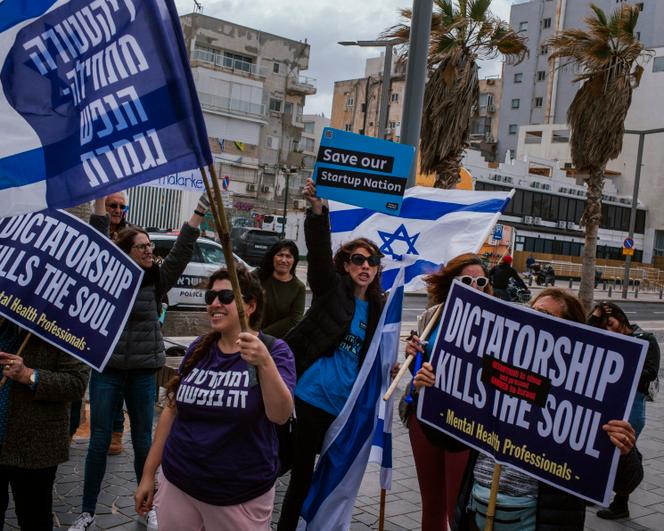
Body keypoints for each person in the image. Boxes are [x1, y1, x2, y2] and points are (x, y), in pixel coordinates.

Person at [413, 288, 644, 531]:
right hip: (476, 513)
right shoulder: (496, 375)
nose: (534, 320)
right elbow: (448, 441)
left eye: (546, 316)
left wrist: (623, 451)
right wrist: (428, 395)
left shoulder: (588, 395)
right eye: (531, 312)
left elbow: (627, 482)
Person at [68, 194, 210, 531]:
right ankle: (87, 512)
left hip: (145, 371)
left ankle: (151, 508)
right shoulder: (109, 276)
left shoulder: (157, 278)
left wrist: (200, 210)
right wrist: (102, 201)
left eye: (150, 246)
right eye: (142, 247)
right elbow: (99, 237)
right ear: (126, 251)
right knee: (99, 441)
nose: (149, 251)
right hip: (109, 371)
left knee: (144, 442)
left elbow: (183, 249)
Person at [134, 266, 295, 530]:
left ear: (250, 306)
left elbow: (279, 415)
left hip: (238, 495)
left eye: (226, 297)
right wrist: (149, 474)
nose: (215, 304)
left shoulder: (275, 351)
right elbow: (171, 411)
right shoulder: (200, 347)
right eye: (211, 297)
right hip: (179, 481)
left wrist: (264, 362)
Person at [277, 178, 386, 530]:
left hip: (345, 409)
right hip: (311, 398)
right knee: (300, 475)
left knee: (334, 476)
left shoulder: (380, 308)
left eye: (371, 261)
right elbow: (320, 253)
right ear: (346, 265)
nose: (365, 266)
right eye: (357, 260)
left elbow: (376, 360)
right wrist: (318, 210)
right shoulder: (331, 290)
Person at [403, 253, 493, 530]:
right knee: (432, 504)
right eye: (466, 280)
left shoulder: (494, 322)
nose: (474, 286)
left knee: (457, 506)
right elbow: (418, 370)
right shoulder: (433, 315)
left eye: (480, 281)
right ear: (453, 283)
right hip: (425, 415)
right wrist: (413, 358)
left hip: (465, 423)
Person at [0, 318, 89, 530]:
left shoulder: (66, 324)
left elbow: (76, 383)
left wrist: (28, 375)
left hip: (35, 446)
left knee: (34, 519)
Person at [588, 301, 660, 520]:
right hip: (611, 401)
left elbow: (650, 372)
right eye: (604, 326)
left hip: (634, 403)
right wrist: (595, 316)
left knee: (625, 450)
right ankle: (595, 490)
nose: (609, 329)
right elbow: (586, 336)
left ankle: (621, 503)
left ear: (621, 317)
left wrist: (623, 366)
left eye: (610, 322)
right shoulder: (609, 339)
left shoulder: (645, 339)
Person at [70, 193, 130, 452]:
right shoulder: (93, 231)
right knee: (75, 373)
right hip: (86, 313)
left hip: (114, 318)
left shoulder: (132, 237)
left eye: (120, 206)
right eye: (111, 205)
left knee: (112, 376)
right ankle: (71, 426)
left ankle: (116, 429)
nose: (116, 210)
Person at [256, 240, 306, 338]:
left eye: (288, 256)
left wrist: (260, 336)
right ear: (272, 257)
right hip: (247, 336)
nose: (283, 260)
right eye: (280, 255)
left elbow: (294, 320)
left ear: (294, 260)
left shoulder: (299, 288)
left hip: (276, 343)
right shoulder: (257, 276)